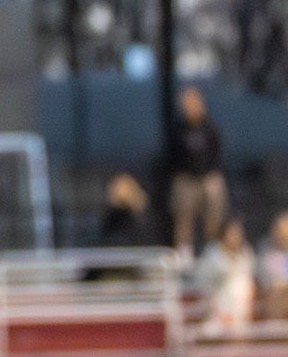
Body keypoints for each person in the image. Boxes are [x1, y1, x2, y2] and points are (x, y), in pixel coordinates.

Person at [167, 86, 227, 254]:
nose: (190, 108)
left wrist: (206, 174)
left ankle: (213, 251)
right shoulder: (178, 130)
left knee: (214, 191)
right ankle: (184, 255)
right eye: (186, 104)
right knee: (183, 215)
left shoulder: (210, 128)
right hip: (186, 178)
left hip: (207, 175)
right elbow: (172, 158)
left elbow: (216, 156)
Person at [194, 218, 257, 338]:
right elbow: (203, 286)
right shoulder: (212, 255)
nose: (235, 238)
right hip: (214, 310)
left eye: (238, 234)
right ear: (223, 235)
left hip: (240, 313)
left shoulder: (246, 254)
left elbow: (249, 285)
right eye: (232, 234)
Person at [257, 210, 288, 319]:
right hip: (274, 300)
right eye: (280, 229)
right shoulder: (266, 251)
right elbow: (267, 283)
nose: (283, 233)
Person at [99, 173, 156, 248]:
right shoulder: (113, 217)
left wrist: (136, 204)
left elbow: (151, 238)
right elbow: (105, 238)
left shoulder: (148, 215)